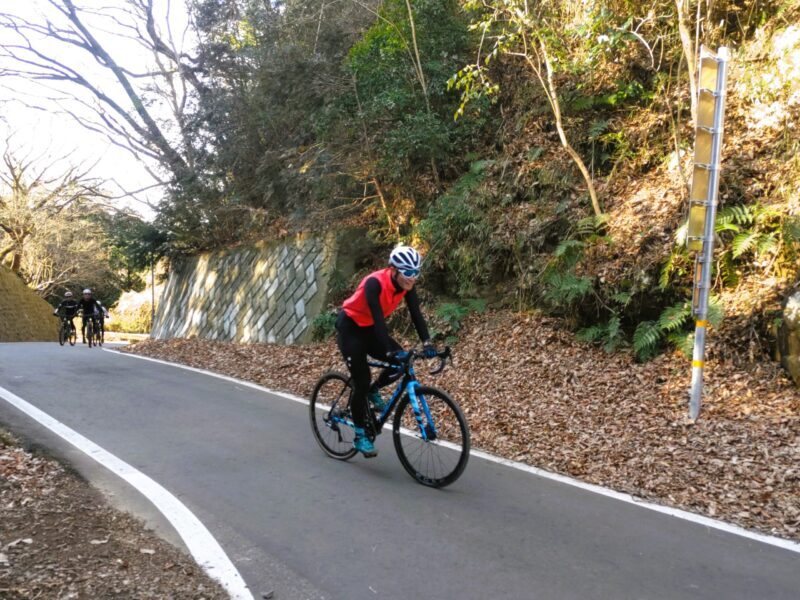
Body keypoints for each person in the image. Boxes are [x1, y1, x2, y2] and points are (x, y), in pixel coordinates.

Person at [337, 245, 438, 457]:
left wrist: (427, 343)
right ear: (393, 270)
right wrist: (389, 351)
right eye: (408, 272)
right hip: (351, 328)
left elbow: (416, 314)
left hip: (370, 329)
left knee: (402, 363)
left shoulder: (407, 286)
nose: (412, 277)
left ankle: (374, 390)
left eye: (416, 272)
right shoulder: (374, 283)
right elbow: (378, 320)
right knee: (362, 381)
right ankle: (360, 435)